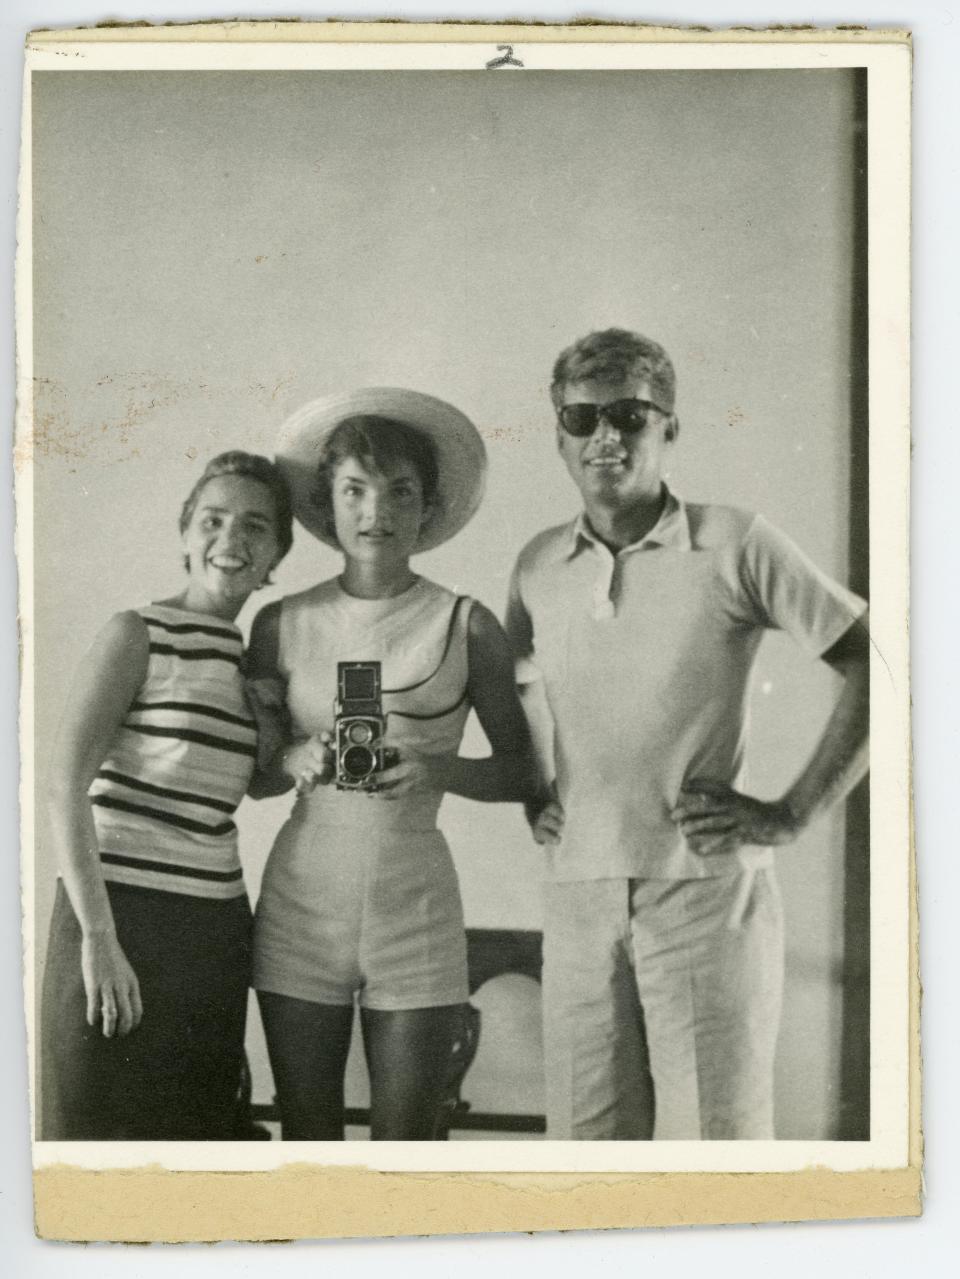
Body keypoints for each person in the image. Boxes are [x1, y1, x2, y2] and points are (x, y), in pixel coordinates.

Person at [505, 329, 869, 1140]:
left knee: (719, 1151)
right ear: (558, 432)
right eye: (582, 417)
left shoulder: (735, 542)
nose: (605, 436)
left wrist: (794, 811)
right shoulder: (537, 564)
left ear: (670, 427)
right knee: (585, 1160)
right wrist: (535, 786)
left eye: (631, 415)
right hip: (579, 894)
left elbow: (881, 660)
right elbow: (514, 684)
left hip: (703, 893)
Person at [247, 388, 538, 1140]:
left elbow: (521, 773)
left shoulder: (466, 623)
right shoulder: (281, 621)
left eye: (399, 491)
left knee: (409, 1147)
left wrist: (440, 770)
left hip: (416, 906)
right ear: (328, 502)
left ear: (428, 505)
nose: (376, 512)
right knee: (308, 1137)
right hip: (301, 905)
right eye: (355, 490)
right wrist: (291, 752)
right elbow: (258, 778)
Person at [41, 451, 294, 1140]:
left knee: (191, 1148)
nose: (231, 540)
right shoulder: (136, 632)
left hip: (212, 930)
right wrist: (98, 936)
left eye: (255, 526)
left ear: (277, 552)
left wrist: (282, 734)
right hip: (116, 914)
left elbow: (247, 785)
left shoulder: (253, 659)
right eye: (213, 520)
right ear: (185, 533)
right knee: (91, 1143)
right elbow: (62, 782)